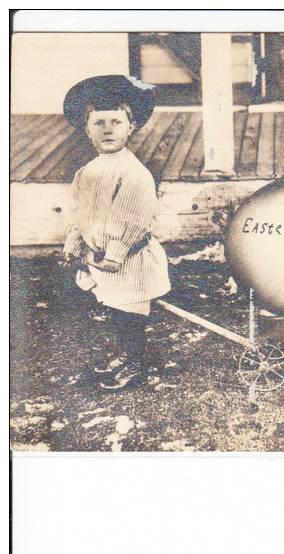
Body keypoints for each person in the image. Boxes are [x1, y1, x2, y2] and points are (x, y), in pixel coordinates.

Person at [60, 75, 170, 391]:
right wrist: (74, 243)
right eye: (99, 123)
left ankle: (134, 365)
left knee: (130, 314)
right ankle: (125, 355)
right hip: (99, 257)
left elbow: (131, 220)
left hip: (127, 259)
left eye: (116, 122)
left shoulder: (134, 174)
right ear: (86, 128)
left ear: (130, 127)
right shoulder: (88, 172)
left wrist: (111, 255)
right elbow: (77, 212)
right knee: (115, 309)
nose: (108, 129)